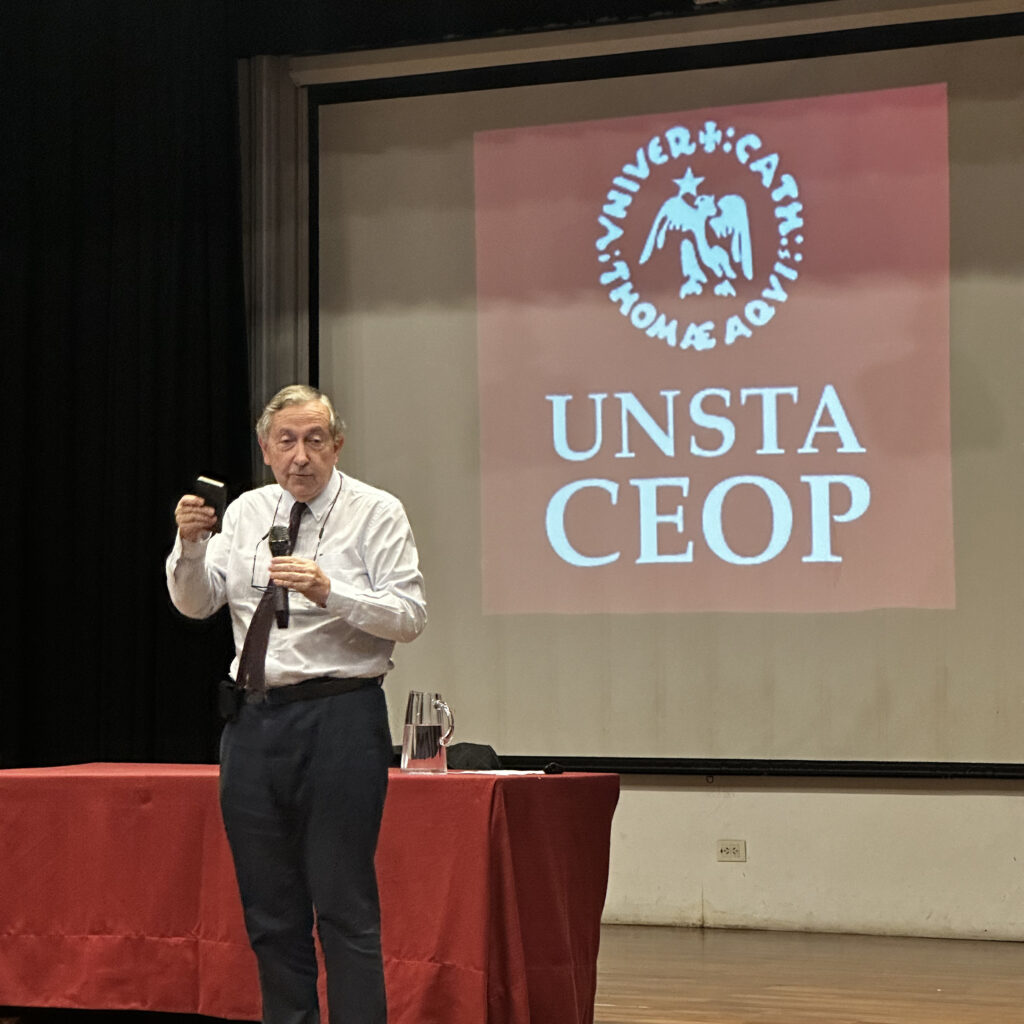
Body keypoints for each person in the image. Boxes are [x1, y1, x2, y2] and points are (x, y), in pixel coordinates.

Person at [166, 384, 426, 1024]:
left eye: (314, 440)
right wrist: (190, 547)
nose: (300, 455)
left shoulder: (375, 512)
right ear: (266, 448)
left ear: (337, 445)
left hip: (340, 718)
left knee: (343, 903)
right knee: (269, 909)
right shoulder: (247, 511)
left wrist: (330, 589)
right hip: (252, 722)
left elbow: (409, 616)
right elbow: (196, 604)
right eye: (286, 441)